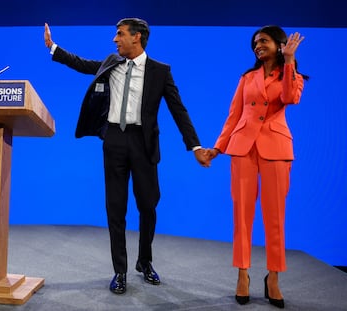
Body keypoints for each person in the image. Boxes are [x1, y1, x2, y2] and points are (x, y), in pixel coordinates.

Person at [44, 18, 210, 295]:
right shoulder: (112, 63)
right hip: (114, 141)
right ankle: (119, 271)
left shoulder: (160, 71)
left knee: (148, 206)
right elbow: (83, 65)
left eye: (120, 34)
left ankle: (144, 262)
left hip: (144, 144)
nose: (114, 39)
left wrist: (194, 146)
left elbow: (178, 110)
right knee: (115, 207)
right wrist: (53, 48)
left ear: (138, 37)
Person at [208, 25, 308, 308]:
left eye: (263, 41)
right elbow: (233, 115)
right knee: (242, 215)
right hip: (242, 149)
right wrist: (218, 147)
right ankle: (242, 274)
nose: (257, 46)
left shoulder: (292, 75)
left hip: (276, 149)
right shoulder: (247, 77)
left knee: (274, 217)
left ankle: (273, 277)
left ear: (280, 44)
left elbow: (290, 98)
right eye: (254, 43)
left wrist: (289, 62)